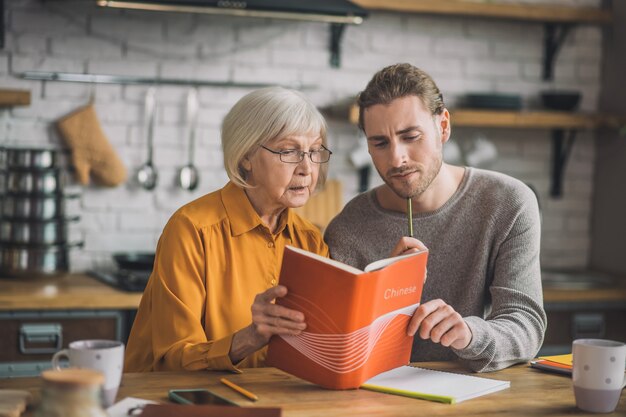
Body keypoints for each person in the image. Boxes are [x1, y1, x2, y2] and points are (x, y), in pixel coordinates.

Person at [324, 63, 547, 372]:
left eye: (410, 136)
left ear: (443, 127)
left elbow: (525, 326)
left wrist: (469, 334)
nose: (397, 159)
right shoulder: (347, 228)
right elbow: (335, 346)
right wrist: (385, 290)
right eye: (380, 143)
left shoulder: (508, 202)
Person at [125, 87, 334, 372]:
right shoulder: (191, 230)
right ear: (246, 156)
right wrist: (250, 338)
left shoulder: (310, 240)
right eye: (289, 151)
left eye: (313, 151)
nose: (307, 168)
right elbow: (174, 358)